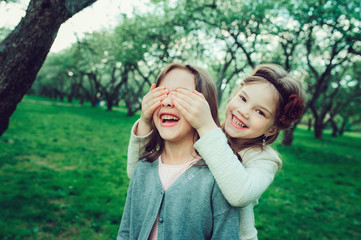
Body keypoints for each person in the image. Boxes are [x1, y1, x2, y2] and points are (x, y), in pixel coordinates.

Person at [126, 64, 306, 240]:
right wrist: (145, 122)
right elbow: (138, 177)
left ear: (271, 130)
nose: (243, 111)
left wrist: (206, 126)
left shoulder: (264, 159)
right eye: (243, 98)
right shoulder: (212, 136)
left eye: (260, 112)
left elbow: (240, 194)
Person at [117, 63, 239, 239]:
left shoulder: (218, 179)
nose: (167, 101)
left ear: (204, 108)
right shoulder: (142, 167)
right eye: (162, 93)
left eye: (180, 95)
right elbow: (126, 232)